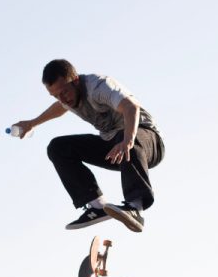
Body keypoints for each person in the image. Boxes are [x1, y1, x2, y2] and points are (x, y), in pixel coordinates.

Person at [13, 59, 165, 232]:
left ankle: (135, 208)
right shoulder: (66, 97)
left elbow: (131, 107)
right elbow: (58, 108)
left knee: (124, 134)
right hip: (115, 148)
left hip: (148, 142)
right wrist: (33, 123)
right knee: (58, 147)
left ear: (76, 80)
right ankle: (98, 206)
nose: (63, 99)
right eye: (56, 95)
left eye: (64, 92)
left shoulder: (98, 86)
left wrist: (128, 140)